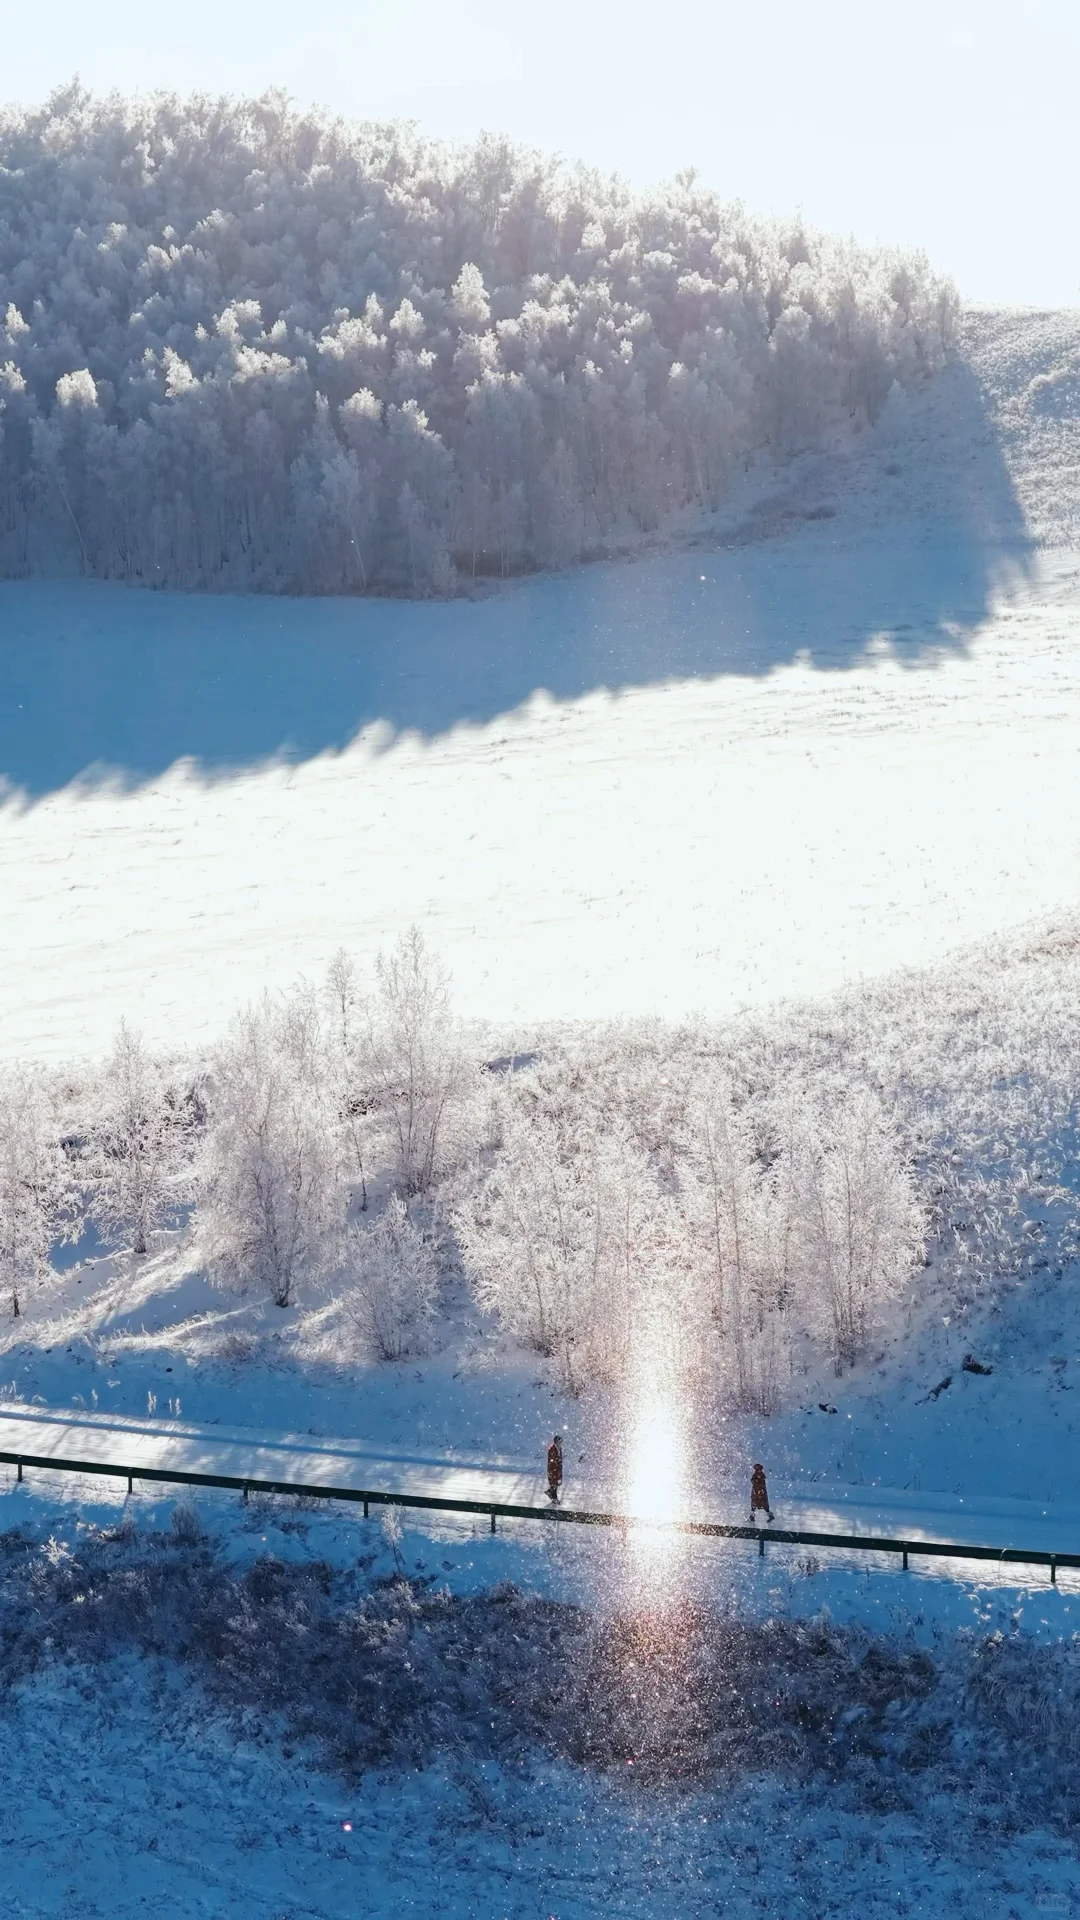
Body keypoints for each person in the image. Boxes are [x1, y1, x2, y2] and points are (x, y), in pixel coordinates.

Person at [546, 1434, 564, 1503]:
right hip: (553, 1469)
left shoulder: (559, 1448)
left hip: (557, 1469)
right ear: (556, 1441)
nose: (561, 1443)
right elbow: (552, 1459)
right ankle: (554, 1498)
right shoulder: (552, 1448)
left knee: (556, 1483)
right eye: (560, 1441)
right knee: (554, 1483)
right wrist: (556, 1461)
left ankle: (550, 1492)